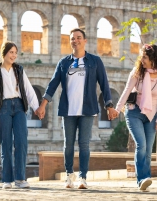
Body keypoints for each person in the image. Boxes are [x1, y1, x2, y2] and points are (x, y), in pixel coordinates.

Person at [35, 28, 118, 189]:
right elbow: (53, 84)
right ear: (70, 41)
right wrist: (43, 105)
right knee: (68, 144)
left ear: (85, 41)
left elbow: (104, 84)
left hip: (87, 109)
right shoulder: (64, 62)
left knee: (84, 144)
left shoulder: (95, 61)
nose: (76, 40)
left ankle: (83, 177)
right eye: (73, 38)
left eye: (79, 38)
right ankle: (69, 175)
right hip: (68, 109)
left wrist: (109, 105)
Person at [114, 44, 157, 190]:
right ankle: (142, 179)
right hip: (134, 112)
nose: (142, 60)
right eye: (142, 57)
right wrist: (117, 108)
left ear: (153, 58)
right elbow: (127, 90)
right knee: (141, 145)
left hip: (152, 115)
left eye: (144, 57)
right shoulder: (137, 72)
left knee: (148, 149)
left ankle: (146, 178)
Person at [0, 41, 39, 189]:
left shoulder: (19, 70)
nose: (14, 55)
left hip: (19, 107)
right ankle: (7, 180)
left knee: (21, 142)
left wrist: (36, 107)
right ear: (4, 53)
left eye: (15, 53)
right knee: (6, 144)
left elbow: (28, 90)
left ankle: (21, 179)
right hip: (3, 108)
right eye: (11, 52)